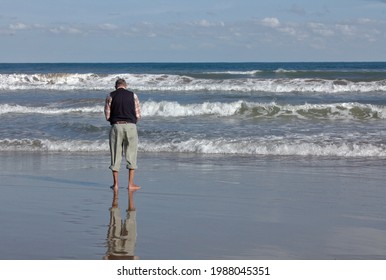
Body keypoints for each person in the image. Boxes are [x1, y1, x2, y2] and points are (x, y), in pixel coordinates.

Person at [104, 78, 141, 191]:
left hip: (116, 126)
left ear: (116, 86)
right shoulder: (133, 95)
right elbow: (138, 115)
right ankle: (130, 184)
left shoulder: (110, 95)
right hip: (130, 126)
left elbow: (107, 116)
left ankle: (115, 184)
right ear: (126, 85)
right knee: (131, 154)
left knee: (115, 155)